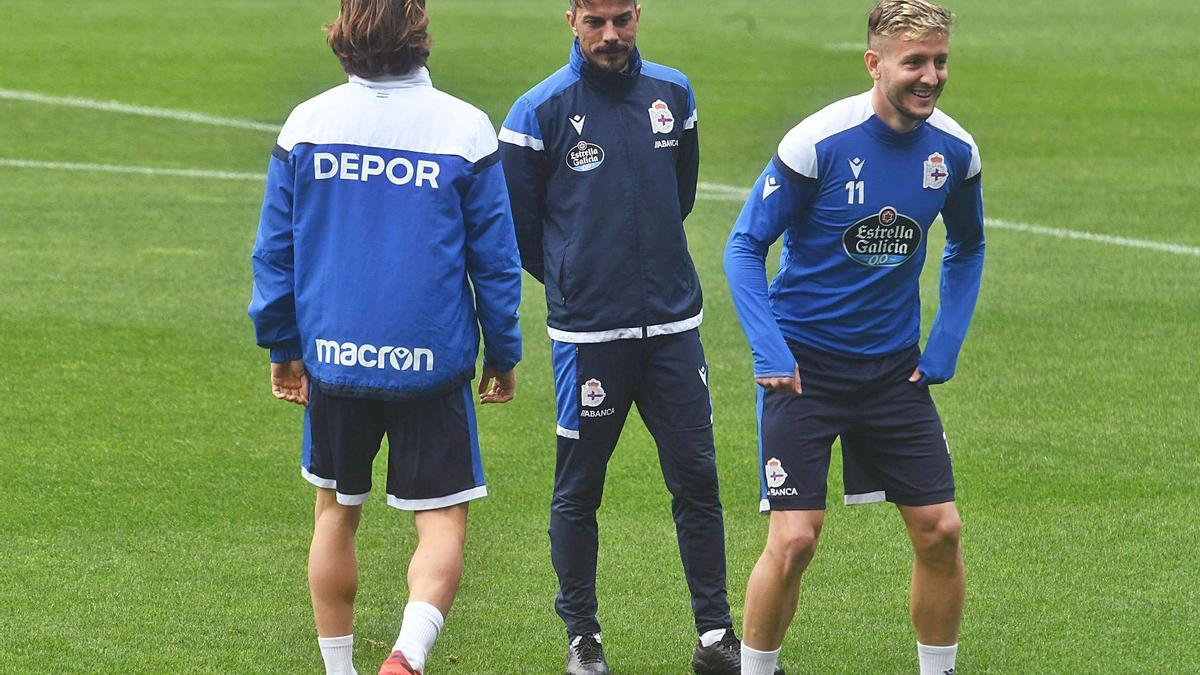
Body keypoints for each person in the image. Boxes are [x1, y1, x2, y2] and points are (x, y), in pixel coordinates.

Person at [248, 1, 523, 673]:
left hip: (335, 357)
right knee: (441, 519)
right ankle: (408, 653)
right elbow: (495, 259)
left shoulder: (307, 123)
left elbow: (275, 252)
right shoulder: (464, 127)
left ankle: (340, 669)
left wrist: (283, 347)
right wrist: (503, 350)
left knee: (335, 513)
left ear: (343, 35)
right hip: (431, 361)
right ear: (420, 34)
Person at [723, 1, 985, 673]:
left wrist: (944, 342)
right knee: (795, 539)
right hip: (804, 370)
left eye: (941, 61)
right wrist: (769, 347)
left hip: (895, 373)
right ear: (874, 63)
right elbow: (745, 246)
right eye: (915, 63)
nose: (931, 76)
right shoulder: (819, 142)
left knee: (941, 529)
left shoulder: (953, 152)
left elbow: (968, 246)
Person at [497, 1, 751, 673]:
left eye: (623, 19)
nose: (611, 35)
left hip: (673, 329)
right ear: (571, 19)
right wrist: (571, 275)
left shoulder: (673, 92)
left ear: (638, 15)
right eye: (596, 21)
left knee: (697, 479)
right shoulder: (537, 112)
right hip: (588, 337)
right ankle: (583, 636)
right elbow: (520, 229)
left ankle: (716, 634)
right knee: (579, 489)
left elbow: (681, 193)